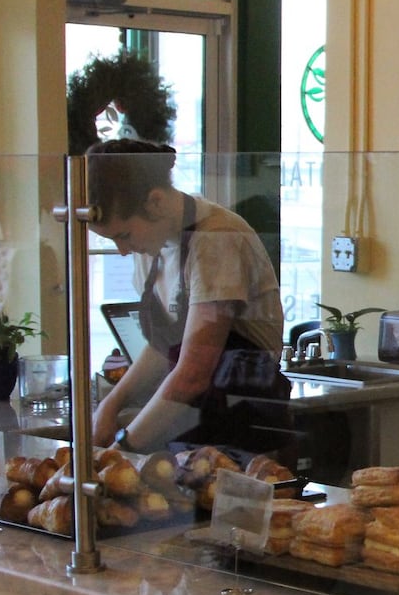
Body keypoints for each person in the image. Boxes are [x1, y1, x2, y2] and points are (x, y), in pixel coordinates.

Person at [87, 139, 289, 454]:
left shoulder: (215, 240)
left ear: (155, 201)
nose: (123, 251)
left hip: (242, 429)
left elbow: (193, 373)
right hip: (192, 424)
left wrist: (120, 451)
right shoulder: (152, 245)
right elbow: (162, 348)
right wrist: (110, 406)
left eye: (124, 235)